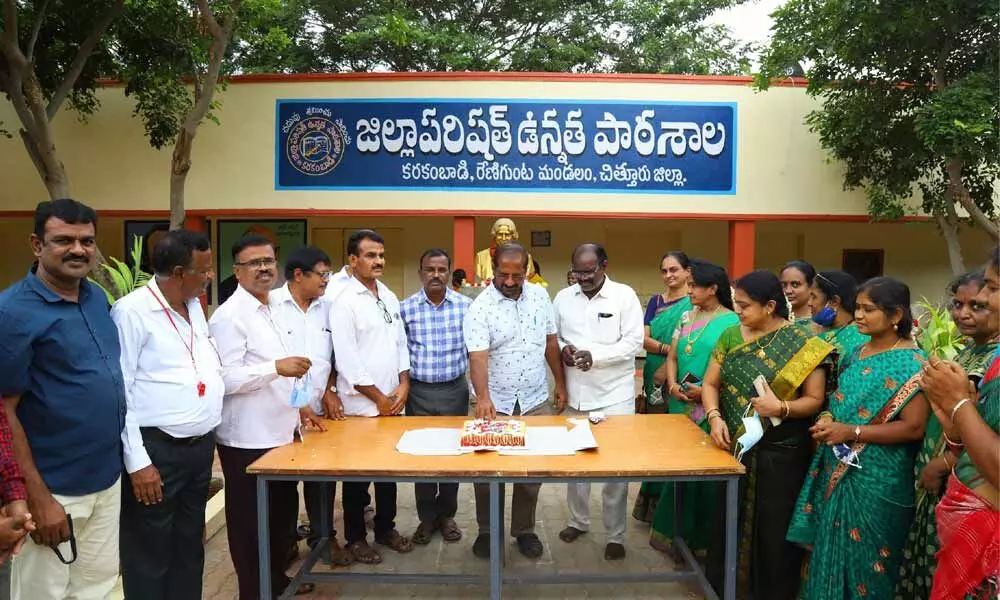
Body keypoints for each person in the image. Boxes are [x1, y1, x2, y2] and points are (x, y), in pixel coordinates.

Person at [0, 199, 126, 600]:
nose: (78, 250)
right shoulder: (13, 313)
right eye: (64, 240)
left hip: (106, 480)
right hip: (55, 488)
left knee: (98, 589)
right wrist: (36, 498)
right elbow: (5, 412)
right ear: (37, 245)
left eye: (87, 241)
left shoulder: (96, 299)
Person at [788, 277, 929, 600]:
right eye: (859, 308)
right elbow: (838, 402)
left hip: (878, 478)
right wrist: (827, 418)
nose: (860, 316)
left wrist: (851, 432)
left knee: (873, 568)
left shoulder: (915, 364)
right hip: (835, 466)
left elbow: (913, 428)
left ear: (896, 316)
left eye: (869, 309)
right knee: (827, 556)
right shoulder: (856, 353)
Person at [701, 269, 833, 599]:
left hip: (782, 453)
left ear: (770, 306)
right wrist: (715, 417)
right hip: (735, 446)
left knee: (774, 530)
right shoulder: (731, 335)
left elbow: (815, 400)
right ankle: (723, 588)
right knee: (727, 519)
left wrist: (780, 409)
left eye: (745, 306)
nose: (739, 312)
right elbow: (710, 383)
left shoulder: (805, 345)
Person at [112, 230, 223, 600]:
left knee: (189, 545)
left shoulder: (193, 306)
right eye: (203, 271)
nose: (209, 277)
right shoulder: (131, 312)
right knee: (150, 550)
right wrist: (138, 462)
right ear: (178, 272)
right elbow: (120, 391)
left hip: (198, 450)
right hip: (157, 451)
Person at [209, 234, 321, 599]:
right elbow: (224, 379)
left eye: (268, 261)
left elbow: (282, 372)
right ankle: (254, 592)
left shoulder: (274, 307)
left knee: (280, 520)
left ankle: (275, 582)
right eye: (253, 263)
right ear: (237, 271)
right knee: (249, 525)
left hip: (282, 433)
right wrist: (275, 367)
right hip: (246, 439)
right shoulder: (229, 316)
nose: (263, 269)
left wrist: (300, 406)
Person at [896, 270, 998, 600]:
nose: (963, 313)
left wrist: (944, 461)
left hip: (971, 489)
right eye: (958, 304)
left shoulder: (994, 357)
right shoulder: (968, 353)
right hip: (951, 486)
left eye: (980, 303)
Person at [465, 242, 568, 560]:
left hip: (535, 397)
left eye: (516, 275)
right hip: (494, 401)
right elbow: (478, 357)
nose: (509, 281)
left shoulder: (539, 296)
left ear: (528, 271)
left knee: (530, 471)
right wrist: (483, 398)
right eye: (503, 274)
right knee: (486, 473)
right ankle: (487, 531)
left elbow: (551, 342)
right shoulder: (480, 307)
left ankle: (524, 530)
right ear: (493, 270)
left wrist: (560, 383)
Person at [553, 244, 643, 560]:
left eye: (589, 271)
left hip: (614, 396)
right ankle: (578, 521)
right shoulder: (564, 298)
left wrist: (598, 357)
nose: (583, 278)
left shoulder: (624, 296)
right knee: (577, 464)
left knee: (615, 468)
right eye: (577, 272)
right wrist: (564, 348)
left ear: (604, 265)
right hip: (577, 395)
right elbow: (557, 335)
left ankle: (615, 535)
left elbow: (634, 341)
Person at [330, 230, 414, 564]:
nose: (378, 261)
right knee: (357, 476)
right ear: (353, 260)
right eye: (369, 255)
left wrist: (404, 383)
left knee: (388, 473)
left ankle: (385, 529)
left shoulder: (388, 296)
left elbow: (400, 344)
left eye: (380, 254)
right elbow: (347, 359)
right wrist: (378, 397)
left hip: (392, 401)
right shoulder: (343, 301)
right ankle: (355, 538)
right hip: (363, 406)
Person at [649, 260, 739, 558]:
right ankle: (671, 532)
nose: (688, 291)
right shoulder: (686, 316)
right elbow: (673, 356)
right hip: (679, 403)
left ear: (712, 289)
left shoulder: (733, 323)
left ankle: (699, 540)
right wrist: (673, 385)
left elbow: (735, 369)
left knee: (702, 472)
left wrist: (708, 392)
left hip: (708, 406)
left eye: (693, 285)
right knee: (676, 469)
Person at [272, 246, 354, 567]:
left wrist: (331, 387)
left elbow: (334, 355)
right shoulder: (272, 307)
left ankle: (324, 538)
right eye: (322, 275)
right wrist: (297, 404)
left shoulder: (328, 308)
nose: (327, 281)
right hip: (281, 412)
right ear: (297, 275)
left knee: (322, 480)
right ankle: (285, 542)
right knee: (283, 483)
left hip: (318, 412)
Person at [400, 249, 472, 546]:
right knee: (424, 458)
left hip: (455, 390)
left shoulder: (466, 307)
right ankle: (426, 519)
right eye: (430, 269)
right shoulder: (405, 309)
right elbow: (399, 351)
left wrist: (481, 395)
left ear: (449, 272)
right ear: (421, 273)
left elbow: (475, 351)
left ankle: (447, 516)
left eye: (442, 269)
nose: (436, 275)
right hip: (419, 393)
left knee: (452, 457)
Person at [634, 250, 692, 522]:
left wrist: (668, 357)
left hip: (679, 372)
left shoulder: (694, 303)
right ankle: (652, 504)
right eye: (665, 270)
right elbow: (642, 338)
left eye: (674, 270)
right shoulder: (656, 301)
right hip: (652, 371)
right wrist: (667, 348)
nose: (669, 275)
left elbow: (690, 342)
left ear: (687, 272)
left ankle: (671, 507)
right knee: (654, 438)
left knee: (675, 439)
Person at [809, 270, 869, 357]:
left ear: (834, 301)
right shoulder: (816, 331)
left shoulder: (859, 339)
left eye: (814, 297)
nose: (809, 303)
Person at [473, 218, 536, 282]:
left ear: (513, 236)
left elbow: (528, 281)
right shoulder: (481, 256)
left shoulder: (526, 257)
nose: (503, 238)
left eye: (507, 234)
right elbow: (478, 283)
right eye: (500, 234)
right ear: (494, 235)